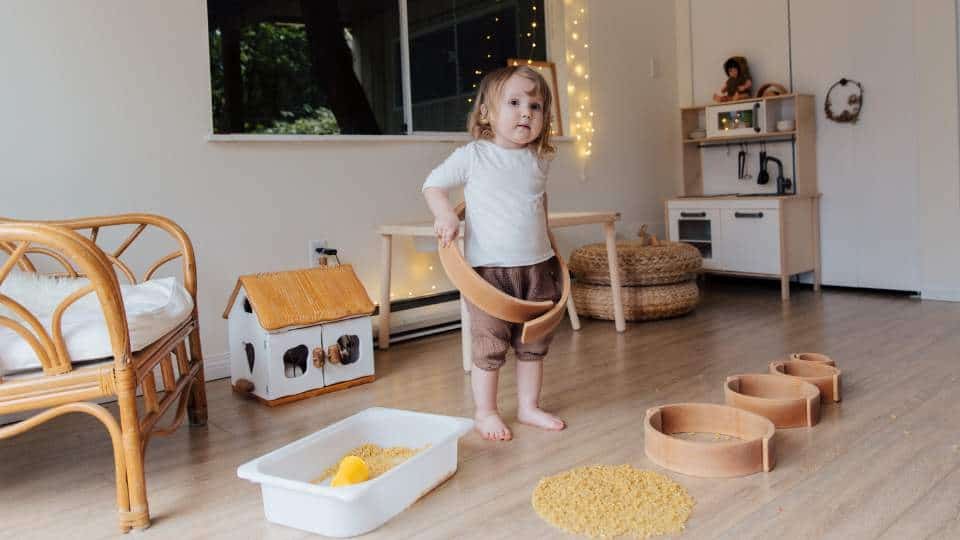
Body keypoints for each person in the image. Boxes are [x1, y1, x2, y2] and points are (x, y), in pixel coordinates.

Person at [422, 65, 566, 441]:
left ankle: (528, 407)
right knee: (489, 342)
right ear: (487, 113)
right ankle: (485, 412)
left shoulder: (538, 159)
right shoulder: (474, 156)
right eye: (514, 103)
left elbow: (539, 204)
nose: (526, 113)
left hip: (537, 267)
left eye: (535, 106)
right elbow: (433, 185)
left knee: (534, 341)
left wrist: (551, 249)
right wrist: (445, 216)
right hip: (489, 273)